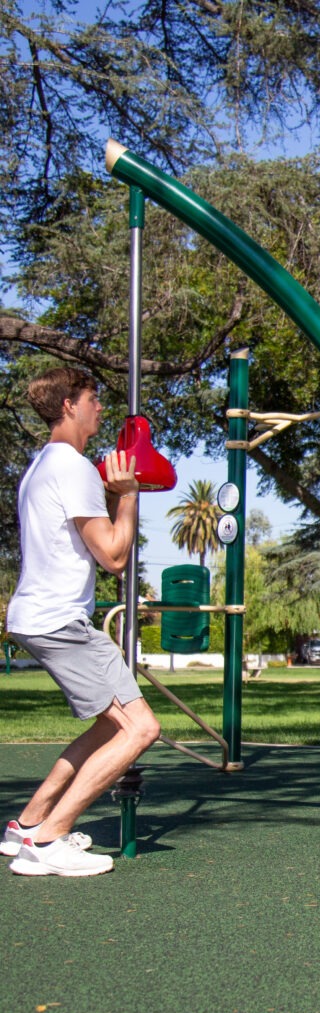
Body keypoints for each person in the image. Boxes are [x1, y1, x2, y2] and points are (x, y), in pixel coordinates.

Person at [3, 367, 161, 877]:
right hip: (58, 619)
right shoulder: (72, 467)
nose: (99, 408)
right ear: (69, 405)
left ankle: (27, 826)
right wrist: (129, 494)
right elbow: (114, 556)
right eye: (93, 398)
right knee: (140, 728)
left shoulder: (41, 465)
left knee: (108, 724)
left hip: (40, 615)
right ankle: (48, 842)